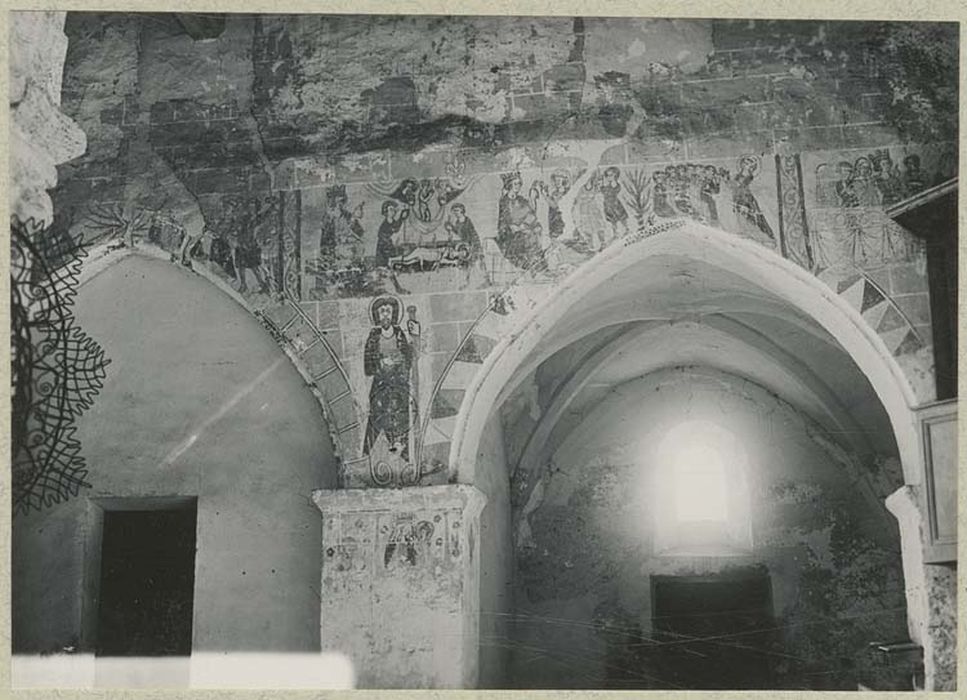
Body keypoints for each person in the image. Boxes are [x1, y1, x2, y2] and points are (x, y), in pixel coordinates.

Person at [363, 296, 413, 460]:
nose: (385, 315)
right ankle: (367, 452)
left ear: (394, 314)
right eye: (382, 311)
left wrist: (400, 360)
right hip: (381, 382)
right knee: (378, 414)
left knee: (400, 414)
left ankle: (401, 450)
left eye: (388, 311)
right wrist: (382, 362)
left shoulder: (399, 334)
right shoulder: (374, 336)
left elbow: (407, 358)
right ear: (377, 315)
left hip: (398, 382)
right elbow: (368, 365)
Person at [496, 171, 544, 270]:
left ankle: (537, 263)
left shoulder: (521, 199)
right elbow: (506, 219)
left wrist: (525, 224)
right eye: (515, 184)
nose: (518, 186)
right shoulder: (504, 201)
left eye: (519, 183)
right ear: (509, 185)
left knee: (537, 230)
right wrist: (516, 227)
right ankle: (531, 265)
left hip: (522, 228)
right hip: (509, 234)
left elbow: (531, 213)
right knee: (527, 235)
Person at [375, 200, 408, 267]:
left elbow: (397, 226)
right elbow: (383, 237)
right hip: (384, 251)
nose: (393, 211)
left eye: (394, 209)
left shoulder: (393, 222)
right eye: (391, 209)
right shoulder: (384, 225)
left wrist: (402, 215)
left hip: (390, 247)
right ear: (386, 212)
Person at [601, 166, 629, 237]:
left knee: (621, 218)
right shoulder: (605, 185)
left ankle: (626, 229)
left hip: (615, 204)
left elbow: (615, 188)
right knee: (612, 220)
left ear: (615, 176)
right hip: (608, 205)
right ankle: (615, 233)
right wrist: (604, 181)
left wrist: (613, 180)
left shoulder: (614, 184)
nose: (608, 177)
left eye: (611, 175)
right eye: (607, 175)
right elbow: (603, 190)